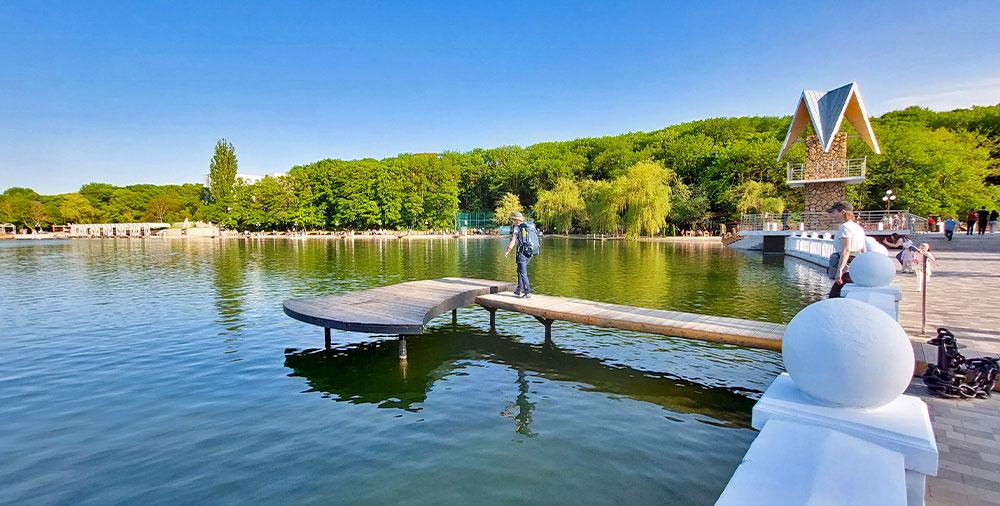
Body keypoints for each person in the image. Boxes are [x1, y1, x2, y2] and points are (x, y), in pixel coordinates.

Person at [827, 201, 867, 298]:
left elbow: (846, 250)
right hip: (856, 267)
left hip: (847, 269)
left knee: (834, 298)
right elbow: (863, 249)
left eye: (834, 212)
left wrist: (839, 271)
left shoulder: (844, 227)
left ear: (843, 212)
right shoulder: (858, 227)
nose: (833, 215)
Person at [504, 212, 533, 298]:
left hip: (521, 253)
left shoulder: (517, 227)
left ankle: (528, 292)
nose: (513, 221)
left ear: (516, 220)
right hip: (529, 252)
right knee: (519, 270)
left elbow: (513, 240)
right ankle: (519, 289)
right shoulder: (528, 226)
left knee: (523, 273)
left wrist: (508, 250)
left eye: (514, 219)